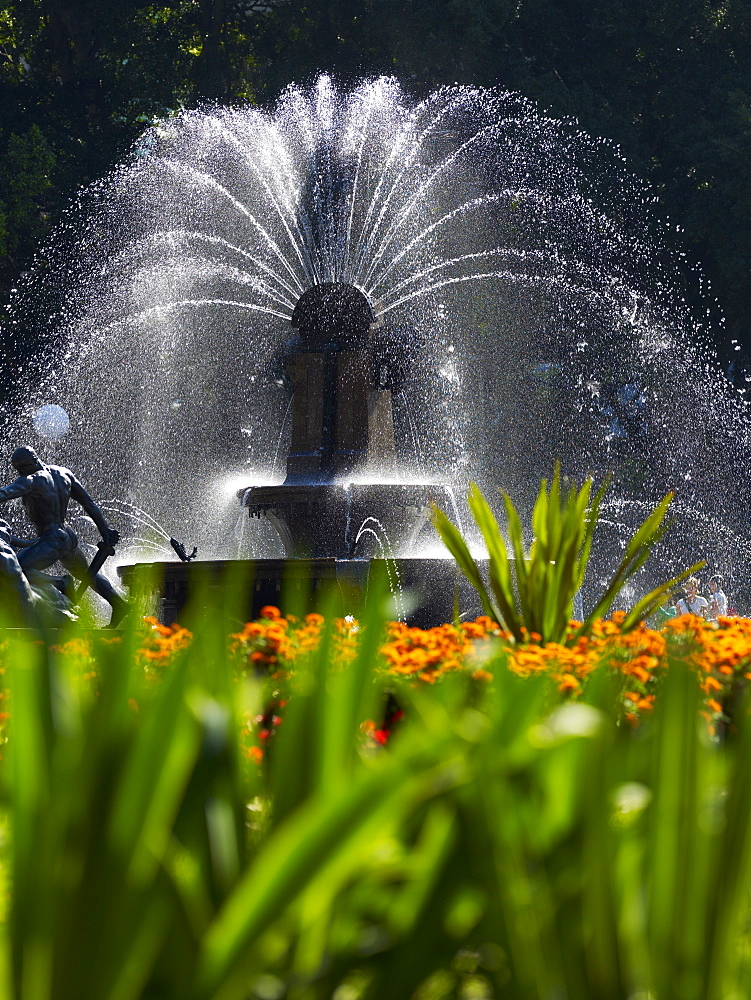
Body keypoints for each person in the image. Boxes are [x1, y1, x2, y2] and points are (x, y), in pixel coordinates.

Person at [0, 446, 128, 626]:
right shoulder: (64, 474)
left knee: (17, 570)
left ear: (33, 462)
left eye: (21, 468)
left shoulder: (31, 480)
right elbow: (88, 502)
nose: (19, 473)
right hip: (67, 536)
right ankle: (118, 603)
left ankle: (61, 583)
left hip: (52, 539)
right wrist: (105, 531)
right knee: (86, 573)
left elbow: (4, 493)